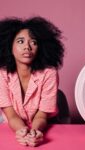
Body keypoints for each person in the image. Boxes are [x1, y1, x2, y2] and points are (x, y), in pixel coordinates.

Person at [0, 16, 64, 147]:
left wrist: (34, 132)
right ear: (9, 46)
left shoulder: (49, 73)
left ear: (40, 47)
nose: (27, 47)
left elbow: (42, 116)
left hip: (44, 124)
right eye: (20, 41)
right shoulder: (1, 74)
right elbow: (11, 115)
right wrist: (21, 131)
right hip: (10, 124)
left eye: (33, 42)